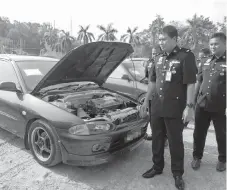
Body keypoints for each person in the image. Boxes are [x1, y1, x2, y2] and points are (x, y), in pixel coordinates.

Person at [140, 25, 197, 190]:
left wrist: (189, 106)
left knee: (175, 142)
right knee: (157, 139)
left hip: (175, 108)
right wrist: (145, 101)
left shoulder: (186, 56)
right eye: (159, 39)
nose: (161, 42)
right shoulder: (158, 57)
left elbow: (190, 84)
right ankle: (157, 167)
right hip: (157, 106)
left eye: (164, 39)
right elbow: (152, 82)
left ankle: (177, 174)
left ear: (174, 39)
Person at [191, 32, 226, 172]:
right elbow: (199, 82)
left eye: (216, 44)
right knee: (198, 133)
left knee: (221, 134)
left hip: (220, 105)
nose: (213, 46)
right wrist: (193, 101)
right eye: (211, 44)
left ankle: (222, 159)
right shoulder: (205, 61)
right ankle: (197, 157)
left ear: (225, 44)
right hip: (202, 104)